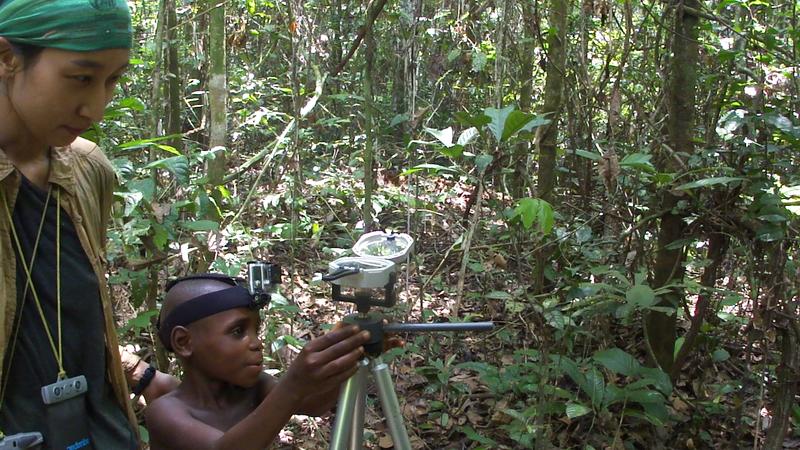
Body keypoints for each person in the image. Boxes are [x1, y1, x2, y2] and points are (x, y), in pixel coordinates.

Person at [0, 0, 176, 447]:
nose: (95, 107)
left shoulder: (86, 169)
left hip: (98, 428)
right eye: (81, 78)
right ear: (6, 58)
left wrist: (139, 374)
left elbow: (75, 314)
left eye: (112, 80)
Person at [145, 274, 371, 450]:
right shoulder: (165, 412)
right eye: (237, 331)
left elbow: (314, 404)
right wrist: (293, 384)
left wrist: (353, 352)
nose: (256, 343)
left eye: (256, 330)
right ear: (184, 342)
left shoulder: (253, 387)